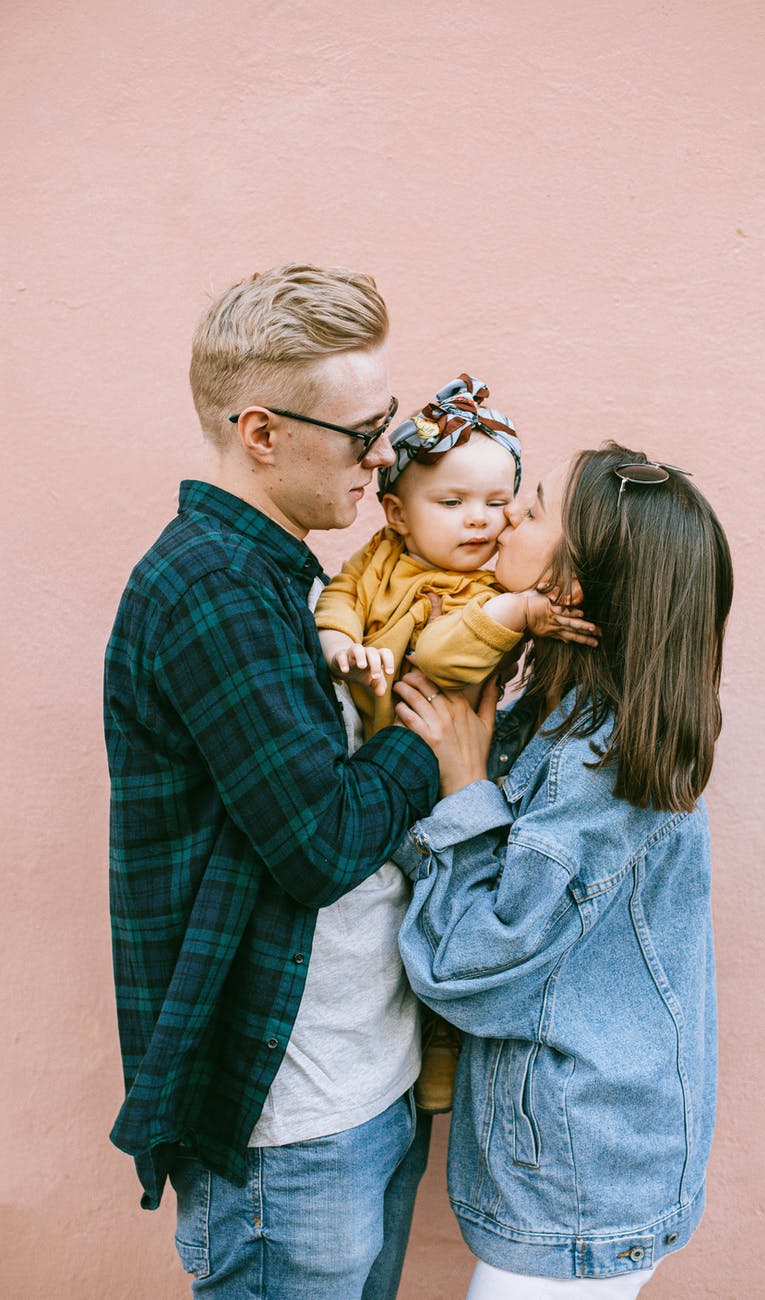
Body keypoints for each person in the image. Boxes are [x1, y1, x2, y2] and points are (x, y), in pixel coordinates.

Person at [104, 263, 445, 1299]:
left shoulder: (292, 576)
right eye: (362, 433)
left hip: (365, 1090)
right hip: (290, 1134)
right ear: (261, 432)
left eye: (388, 423)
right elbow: (322, 845)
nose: (382, 456)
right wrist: (433, 728)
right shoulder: (212, 588)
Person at [390, 444, 733, 1298]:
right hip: (586, 1159)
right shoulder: (559, 717)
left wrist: (464, 786)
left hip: (580, 1180)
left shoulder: (595, 766)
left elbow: (472, 966)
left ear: (571, 588)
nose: (507, 513)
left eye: (535, 509)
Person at [314, 374, 599, 1112]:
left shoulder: (492, 595)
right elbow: (340, 593)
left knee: (437, 898)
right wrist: (338, 641)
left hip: (434, 778)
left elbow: (441, 657)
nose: (484, 522)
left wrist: (516, 612)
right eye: (452, 503)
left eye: (501, 502)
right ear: (396, 515)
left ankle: (440, 1046)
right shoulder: (380, 556)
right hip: (372, 767)